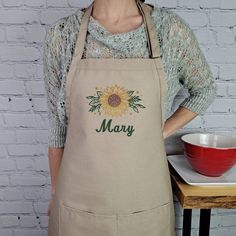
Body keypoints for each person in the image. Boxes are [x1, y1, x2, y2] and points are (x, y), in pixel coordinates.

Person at [43, 0, 216, 235]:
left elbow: (204, 89)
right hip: (77, 204)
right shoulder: (62, 35)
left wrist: (160, 131)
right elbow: (57, 126)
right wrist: (55, 192)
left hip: (145, 202)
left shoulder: (170, 30)